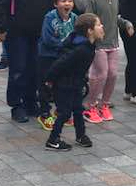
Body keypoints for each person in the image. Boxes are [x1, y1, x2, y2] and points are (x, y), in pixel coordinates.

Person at [43, 13, 100, 151]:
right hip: (65, 83)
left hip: (75, 82)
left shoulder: (88, 45)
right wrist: (49, 79)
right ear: (90, 31)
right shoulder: (81, 49)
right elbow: (61, 63)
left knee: (78, 109)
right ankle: (53, 140)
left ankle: (80, 136)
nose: (102, 27)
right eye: (98, 24)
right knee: (65, 112)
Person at [84, 0, 133, 123]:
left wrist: (126, 24)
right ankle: (90, 106)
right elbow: (88, 20)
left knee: (112, 74)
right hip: (99, 44)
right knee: (101, 74)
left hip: (113, 42)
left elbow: (115, 18)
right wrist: (93, 36)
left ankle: (104, 104)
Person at [37, 0, 77, 130]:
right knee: (46, 84)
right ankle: (44, 113)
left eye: (70, 0)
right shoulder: (50, 18)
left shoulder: (74, 18)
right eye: (64, 0)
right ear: (55, 4)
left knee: (61, 85)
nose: (67, 3)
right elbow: (48, 39)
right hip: (48, 56)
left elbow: (76, 36)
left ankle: (60, 111)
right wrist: (64, 45)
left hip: (63, 57)